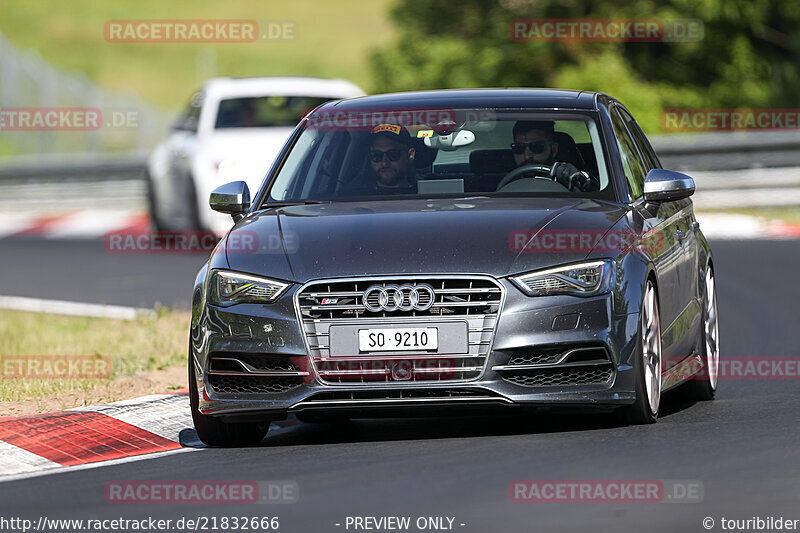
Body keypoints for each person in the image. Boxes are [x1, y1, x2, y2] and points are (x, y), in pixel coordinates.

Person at [511, 120, 599, 192]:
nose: (527, 156)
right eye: (519, 148)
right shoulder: (501, 187)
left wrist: (581, 181)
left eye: (537, 147)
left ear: (554, 149)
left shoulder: (572, 183)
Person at [348, 123, 418, 195]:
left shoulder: (423, 194)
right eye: (376, 155)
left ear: (410, 155)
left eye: (393, 154)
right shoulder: (353, 197)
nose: (384, 163)